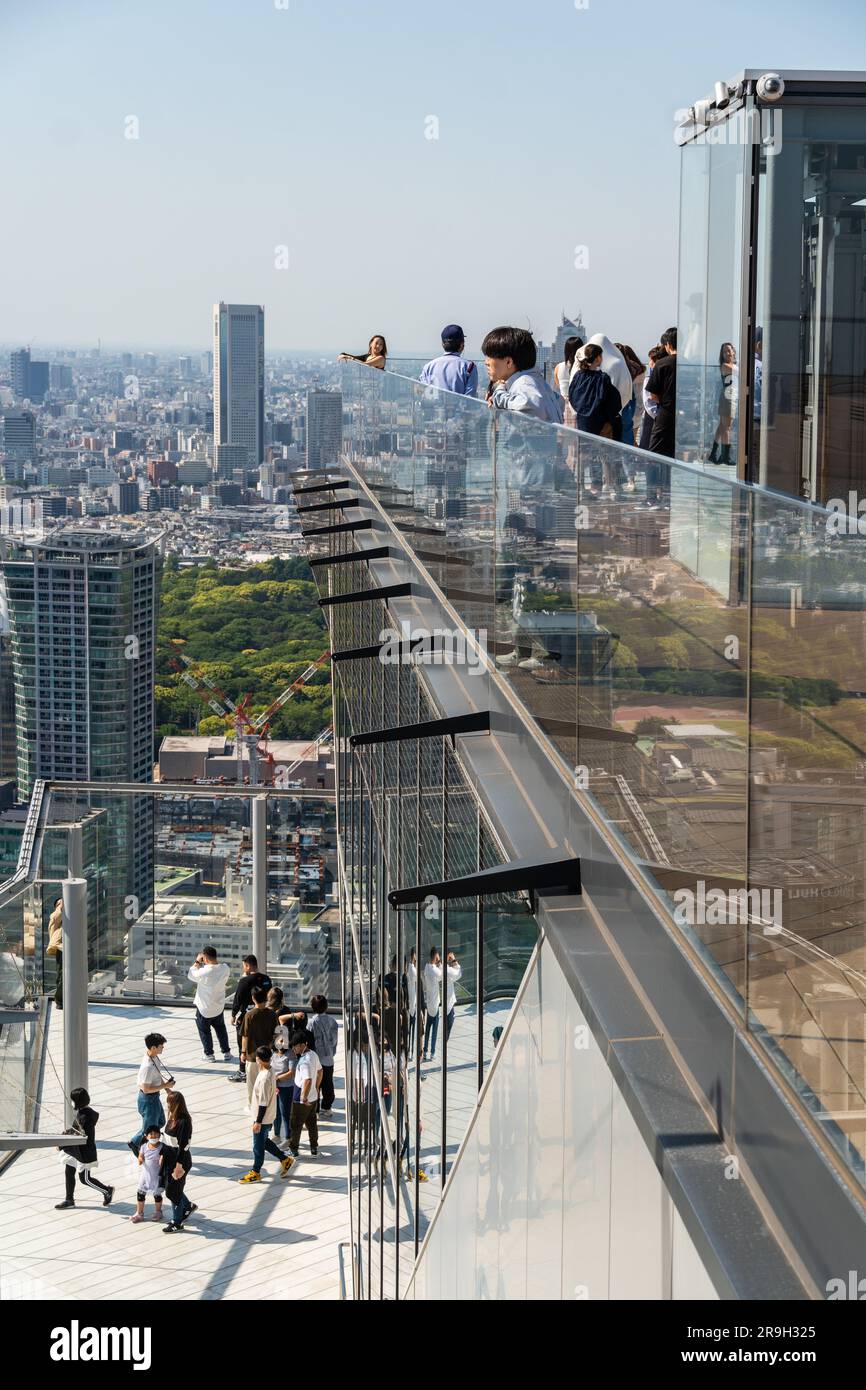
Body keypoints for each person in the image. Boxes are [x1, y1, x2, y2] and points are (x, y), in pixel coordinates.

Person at [482, 326, 564, 423]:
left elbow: (531, 407)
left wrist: (499, 394)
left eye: (490, 357)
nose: (486, 362)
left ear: (509, 362)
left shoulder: (525, 383)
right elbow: (559, 402)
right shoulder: (536, 381)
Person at [238, 1045, 294, 1183]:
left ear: (259, 1059)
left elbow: (262, 1102)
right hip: (267, 1116)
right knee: (263, 1142)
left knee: (257, 1146)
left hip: (262, 1118)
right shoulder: (270, 1070)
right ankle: (285, 1159)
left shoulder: (264, 1078)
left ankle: (256, 1172)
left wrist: (258, 1122)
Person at [55, 1087, 115, 1211]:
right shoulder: (84, 1112)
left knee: (85, 1179)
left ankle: (107, 1190)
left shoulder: (85, 1118)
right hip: (74, 1150)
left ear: (77, 1101)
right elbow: (75, 1131)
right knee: (69, 1172)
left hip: (84, 1152)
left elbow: (80, 1137)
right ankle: (69, 1199)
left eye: (72, 1100)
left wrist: (62, 1144)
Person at [227, 955, 272, 1084]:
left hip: (246, 1016)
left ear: (247, 966)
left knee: (243, 1043)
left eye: (244, 966)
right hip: (264, 1015)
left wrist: (233, 1015)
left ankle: (242, 1072)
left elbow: (238, 999)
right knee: (262, 1042)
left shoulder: (244, 981)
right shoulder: (266, 979)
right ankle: (262, 1067)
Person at [128, 1033, 173, 1155]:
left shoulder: (154, 1057)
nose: (163, 1048)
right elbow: (146, 1089)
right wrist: (165, 1086)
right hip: (148, 1099)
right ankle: (137, 1144)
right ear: (153, 1047)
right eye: (161, 1046)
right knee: (150, 1128)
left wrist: (167, 1089)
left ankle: (137, 1141)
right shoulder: (147, 1066)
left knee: (160, 1122)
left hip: (154, 1097)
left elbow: (157, 1076)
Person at [187, 946, 232, 1063]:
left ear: (205, 958)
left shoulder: (205, 971)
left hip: (204, 1008)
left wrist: (197, 961)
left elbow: (191, 974)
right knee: (221, 1029)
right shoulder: (225, 968)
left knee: (205, 1031)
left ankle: (209, 1054)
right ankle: (227, 1053)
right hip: (218, 1006)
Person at [162, 1090, 197, 1233]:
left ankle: (177, 1222)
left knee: (173, 1191)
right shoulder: (172, 1119)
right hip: (169, 1158)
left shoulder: (184, 1122)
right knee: (171, 1188)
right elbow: (166, 1140)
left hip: (179, 1161)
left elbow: (184, 1146)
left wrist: (178, 1166)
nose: (167, 1105)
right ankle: (187, 1206)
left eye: (169, 1103)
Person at [240, 987, 279, 1105]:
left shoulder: (249, 1015)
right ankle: (266, 1104)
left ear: (253, 998)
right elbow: (276, 1034)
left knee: (252, 1085)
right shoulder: (272, 1014)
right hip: (267, 1055)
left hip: (252, 1056)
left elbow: (245, 1036)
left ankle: (253, 1106)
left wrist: (243, 1053)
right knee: (266, 1083)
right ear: (266, 998)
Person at [288, 1030, 323, 1159]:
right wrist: (317, 1087)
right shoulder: (313, 1054)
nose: (293, 1048)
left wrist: (303, 1096)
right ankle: (314, 1148)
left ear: (303, 1045)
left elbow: (307, 1080)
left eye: (295, 1046)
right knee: (312, 1124)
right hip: (313, 1097)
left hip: (301, 1099)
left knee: (296, 1125)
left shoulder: (304, 1062)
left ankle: (293, 1150)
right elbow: (320, 1071)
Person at [645, 326, 677, 458]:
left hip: (666, 413)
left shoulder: (662, 364)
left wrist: (664, 401)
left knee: (656, 451)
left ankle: (657, 479)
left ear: (668, 344)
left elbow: (653, 394)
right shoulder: (688, 363)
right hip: (684, 415)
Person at [420, 324, 478, 396]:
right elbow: (470, 398)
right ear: (462, 345)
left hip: (434, 407)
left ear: (442, 344)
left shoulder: (428, 367)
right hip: (460, 407)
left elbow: (424, 394)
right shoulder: (470, 367)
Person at [709, 342, 737, 465]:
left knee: (722, 426)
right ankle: (725, 457)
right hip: (728, 398)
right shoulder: (725, 366)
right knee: (727, 427)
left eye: (729, 350)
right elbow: (741, 372)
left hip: (731, 397)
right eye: (724, 351)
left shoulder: (734, 365)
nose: (727, 353)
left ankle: (713, 454)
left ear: (733, 351)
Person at [131, 1125, 165, 1224]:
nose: (153, 1136)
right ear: (146, 1136)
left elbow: (164, 1157)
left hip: (157, 1176)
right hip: (145, 1176)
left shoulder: (162, 1147)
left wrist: (162, 1160)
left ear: (159, 1135)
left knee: (157, 1195)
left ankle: (158, 1211)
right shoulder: (144, 1146)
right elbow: (140, 1155)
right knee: (140, 1194)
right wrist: (140, 1159)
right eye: (151, 1134)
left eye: (156, 1134)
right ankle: (139, 1213)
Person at [309, 994, 338, 1115]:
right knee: (328, 1084)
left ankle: (315, 1109)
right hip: (328, 1058)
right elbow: (335, 1040)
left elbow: (310, 1040)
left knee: (316, 1084)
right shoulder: (333, 1021)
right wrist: (332, 1052)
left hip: (316, 1059)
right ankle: (327, 1107)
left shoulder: (312, 1022)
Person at [554, 336, 583, 403]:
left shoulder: (558, 367)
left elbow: (559, 385)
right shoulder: (583, 367)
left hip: (563, 405)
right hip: (579, 404)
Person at [46, 897, 63, 1010]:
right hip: (61, 948)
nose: (62, 903)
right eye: (59, 902)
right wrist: (60, 906)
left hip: (74, 948)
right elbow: (55, 917)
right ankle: (60, 1000)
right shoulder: (55, 916)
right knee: (62, 975)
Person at [406, 948, 418, 1057]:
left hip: (411, 1004)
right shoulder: (412, 969)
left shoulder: (410, 968)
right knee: (411, 1030)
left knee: (410, 1030)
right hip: (411, 1006)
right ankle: (410, 1052)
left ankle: (410, 1052)